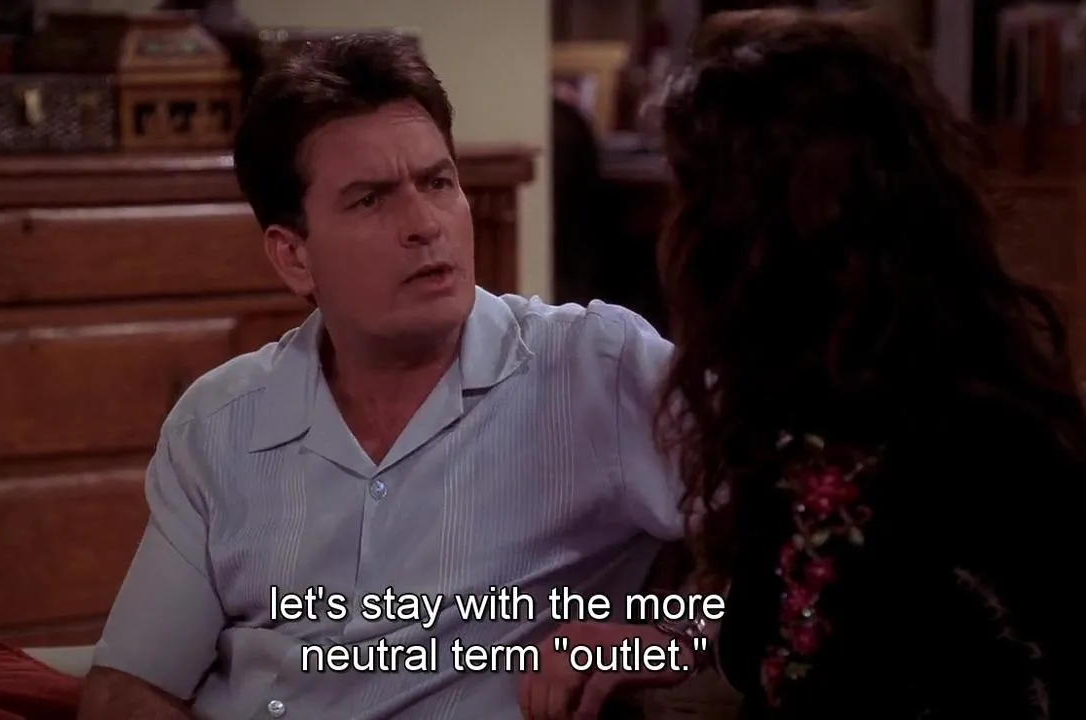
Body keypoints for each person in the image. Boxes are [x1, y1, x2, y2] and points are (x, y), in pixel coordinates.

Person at [526, 8, 1086, 719]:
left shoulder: (992, 470)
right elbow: (770, 620)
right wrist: (663, 639)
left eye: (689, 200)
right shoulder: (810, 426)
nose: (670, 238)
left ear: (758, 239)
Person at [77, 33, 685, 719]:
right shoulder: (217, 426)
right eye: (370, 200)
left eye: (438, 183)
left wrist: (665, 640)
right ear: (293, 257)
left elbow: (778, 541)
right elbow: (130, 686)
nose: (424, 224)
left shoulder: (593, 369)